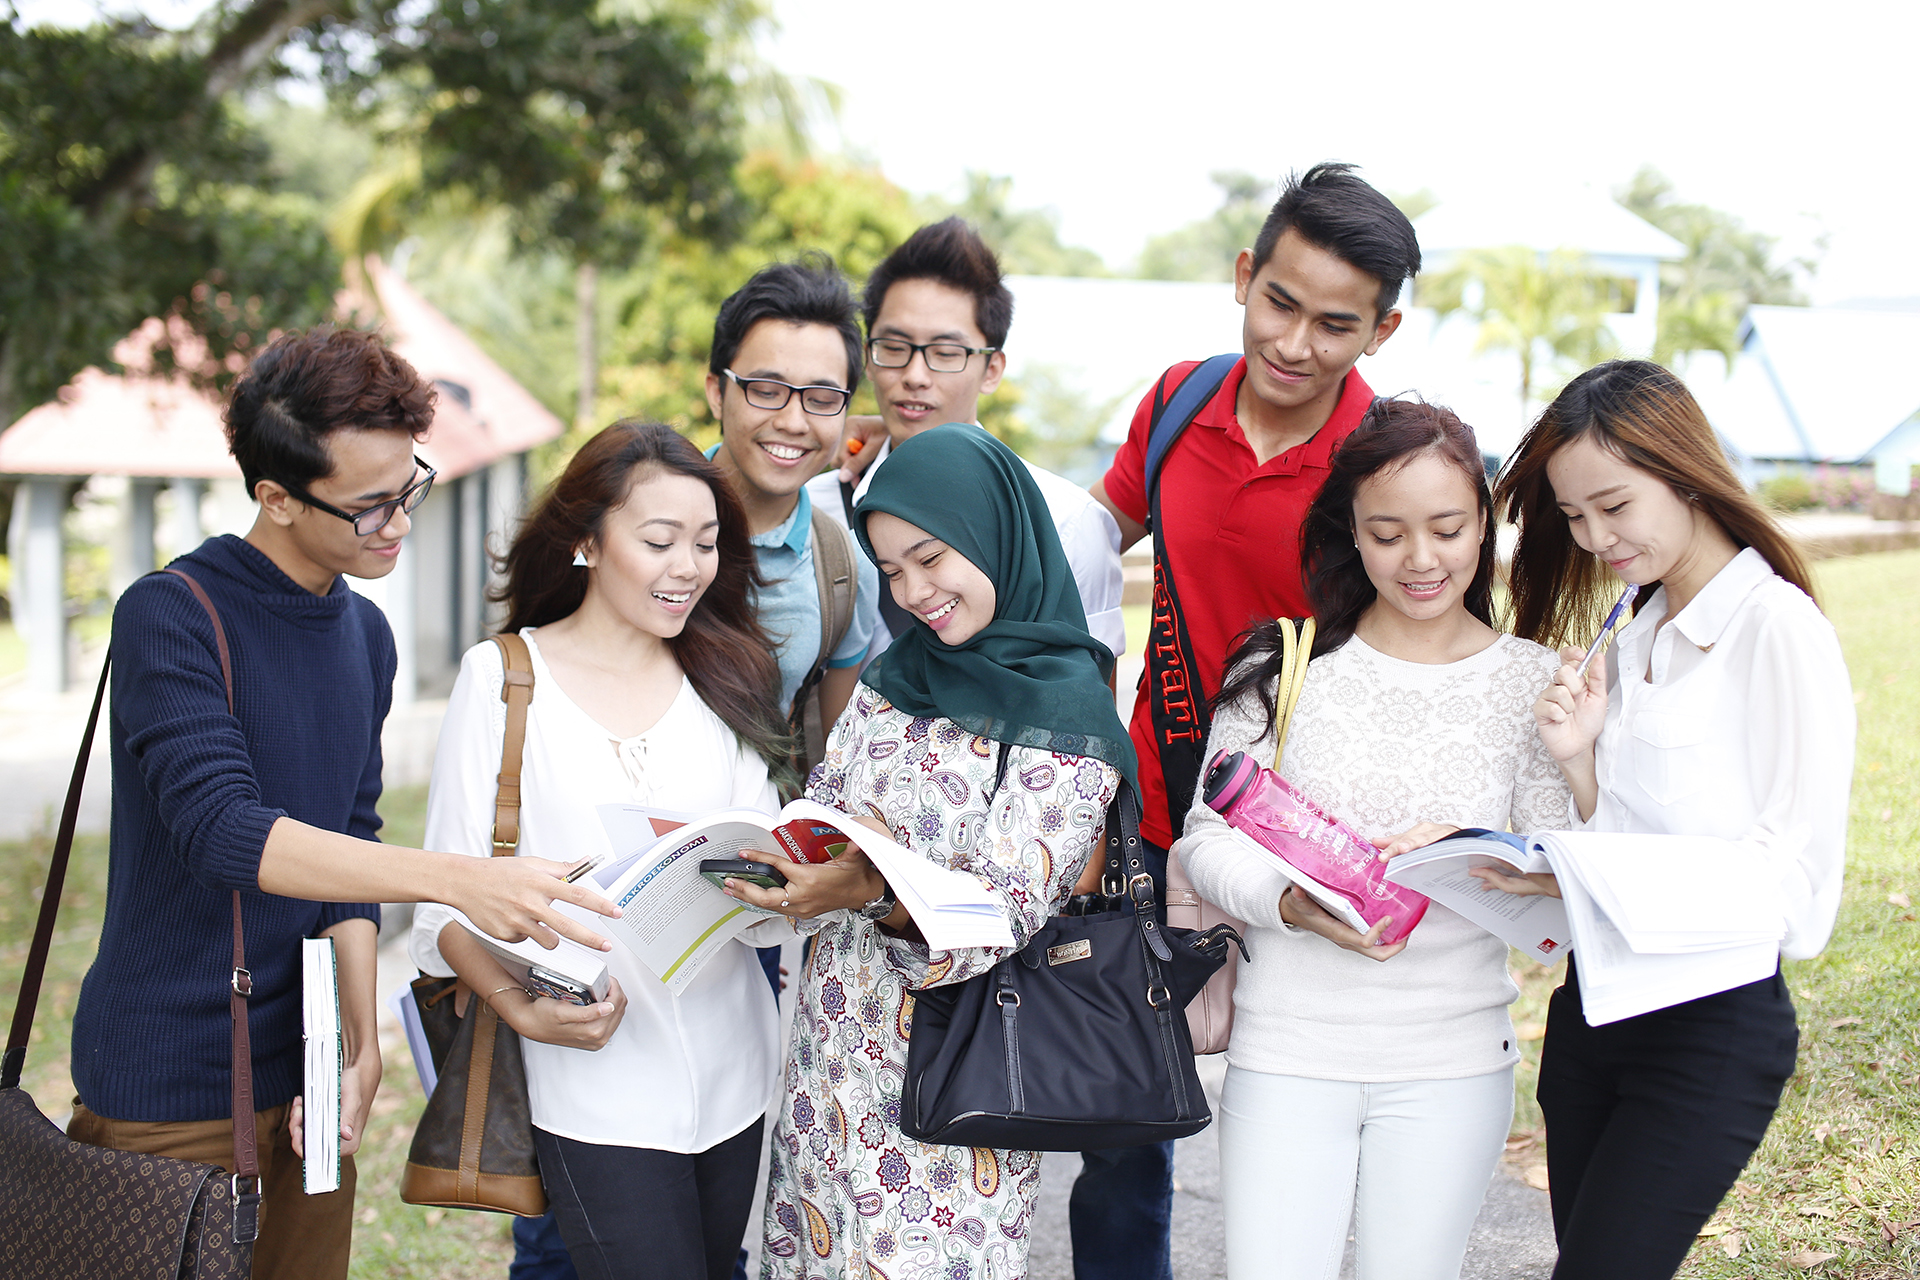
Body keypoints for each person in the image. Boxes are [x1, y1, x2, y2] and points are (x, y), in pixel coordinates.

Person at [66, 327, 618, 1280]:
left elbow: (349, 834)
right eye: (368, 506)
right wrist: (459, 881)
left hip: (308, 1076)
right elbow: (223, 832)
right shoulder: (171, 614)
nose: (397, 523)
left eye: (408, 488)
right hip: (170, 1078)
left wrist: (360, 1041)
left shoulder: (364, 634)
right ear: (276, 497)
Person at [1081, 162, 1422, 1278]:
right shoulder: (1178, 403)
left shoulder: (1384, 460)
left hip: (1310, 832)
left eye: (1336, 324)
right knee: (1126, 1117)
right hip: (1155, 807)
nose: (1295, 343)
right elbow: (1088, 543)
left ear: (1381, 330)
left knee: (1304, 1105)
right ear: (1244, 275)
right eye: (1280, 302)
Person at [726, 424, 1134, 1280]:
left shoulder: (1067, 715)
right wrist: (783, 859)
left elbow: (1003, 914)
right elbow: (829, 806)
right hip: (828, 1068)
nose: (913, 591)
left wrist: (868, 891)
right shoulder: (894, 678)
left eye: (931, 557)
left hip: (951, 1097)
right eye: (891, 570)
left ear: (994, 531)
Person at [1176, 400, 1570, 1280]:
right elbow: (1204, 840)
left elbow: (1568, 881)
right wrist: (1288, 902)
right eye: (1388, 534)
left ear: (1485, 525)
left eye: (1447, 529)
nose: (1420, 559)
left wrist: (1481, 845)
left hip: (1452, 1061)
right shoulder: (1283, 668)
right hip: (1287, 1052)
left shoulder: (1534, 682)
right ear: (1351, 533)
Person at [1482, 360, 1854, 1280]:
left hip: (1708, 1029)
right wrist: (1580, 762)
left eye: (1614, 505)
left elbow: (1795, 886)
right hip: (1594, 1015)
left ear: (1684, 472)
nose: (1594, 537)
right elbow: (1626, 832)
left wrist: (1574, 869)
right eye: (1574, 515)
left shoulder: (1775, 627)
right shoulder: (1636, 630)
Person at [410, 421, 798, 1280]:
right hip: (590, 1082)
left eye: (706, 544)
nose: (688, 567)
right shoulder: (502, 680)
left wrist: (785, 885)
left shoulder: (730, 673)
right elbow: (441, 911)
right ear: (587, 541)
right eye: (659, 541)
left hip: (735, 1073)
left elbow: (771, 897)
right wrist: (521, 1012)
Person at [805, 217, 1125, 664]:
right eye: (894, 348)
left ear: (992, 369)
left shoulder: (1067, 522)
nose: (915, 375)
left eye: (945, 353)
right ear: (868, 359)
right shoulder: (816, 511)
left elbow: (1092, 695)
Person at [707, 253, 878, 769]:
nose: (793, 421)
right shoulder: (634, 523)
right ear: (717, 392)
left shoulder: (843, 569)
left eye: (821, 398)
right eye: (766, 390)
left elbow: (835, 767)